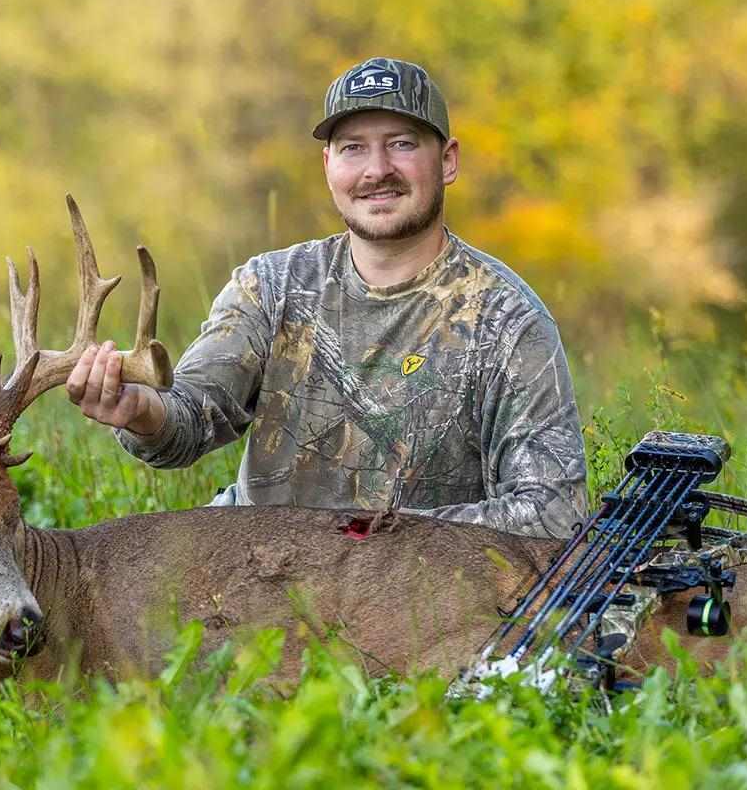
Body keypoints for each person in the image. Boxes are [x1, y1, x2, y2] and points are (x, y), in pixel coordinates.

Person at [65, 57, 587, 538]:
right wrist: (138, 409)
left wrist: (359, 540)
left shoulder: (507, 320)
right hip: (253, 569)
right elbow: (191, 417)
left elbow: (552, 514)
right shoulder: (271, 286)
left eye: (402, 143)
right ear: (328, 166)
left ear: (447, 161)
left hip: (412, 598)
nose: (376, 169)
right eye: (352, 147)